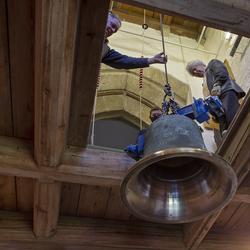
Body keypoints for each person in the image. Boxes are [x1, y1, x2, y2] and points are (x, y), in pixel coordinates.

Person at [186, 59, 245, 133]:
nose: (195, 72)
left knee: (231, 115)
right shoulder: (205, 82)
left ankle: (238, 130)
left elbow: (221, 72)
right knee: (223, 125)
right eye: (193, 73)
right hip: (218, 102)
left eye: (195, 68)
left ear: (200, 65)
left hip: (225, 91)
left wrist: (217, 84)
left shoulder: (212, 63)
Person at [102, 12, 167, 69]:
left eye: (115, 30)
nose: (113, 30)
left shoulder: (104, 50)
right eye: (113, 25)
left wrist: (152, 60)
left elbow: (124, 61)